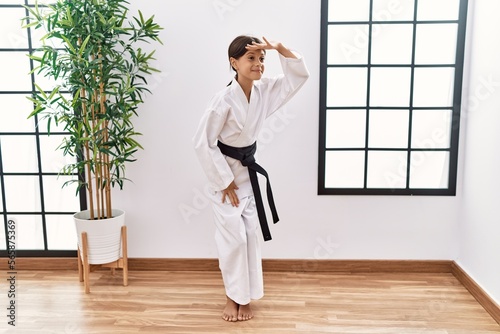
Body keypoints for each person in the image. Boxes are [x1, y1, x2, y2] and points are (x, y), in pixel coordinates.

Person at [193, 35, 309, 322]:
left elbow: (296, 79)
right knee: (233, 240)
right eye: (251, 58)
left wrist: (281, 50)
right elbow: (202, 143)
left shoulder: (263, 91)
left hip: (248, 175)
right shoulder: (222, 101)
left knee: (249, 237)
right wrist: (224, 181)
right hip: (225, 180)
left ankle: (247, 298)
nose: (258, 64)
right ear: (234, 63)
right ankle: (232, 298)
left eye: (261, 59)